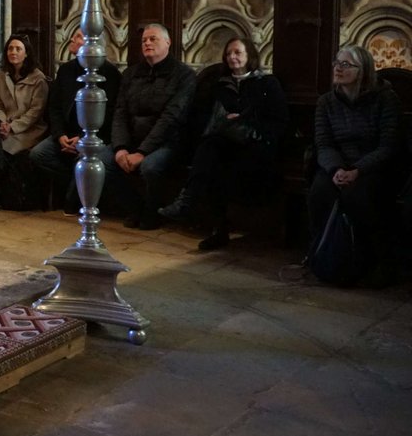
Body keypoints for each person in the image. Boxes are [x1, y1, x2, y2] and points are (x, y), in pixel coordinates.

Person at [158, 36, 288, 249]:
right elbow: (200, 116)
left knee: (213, 158)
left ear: (250, 55)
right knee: (211, 152)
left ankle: (189, 202)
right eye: (228, 54)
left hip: (255, 144)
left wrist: (244, 121)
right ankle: (215, 227)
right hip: (224, 144)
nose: (232, 57)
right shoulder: (218, 85)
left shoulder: (266, 84)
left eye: (237, 52)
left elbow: (278, 119)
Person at [308, 45, 402, 280]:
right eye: (337, 63)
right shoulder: (326, 102)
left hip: (373, 166)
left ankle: (373, 260)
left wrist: (357, 170)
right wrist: (337, 169)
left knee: (358, 196)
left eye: (346, 64)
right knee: (320, 191)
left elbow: (388, 146)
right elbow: (324, 143)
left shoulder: (385, 98)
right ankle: (325, 255)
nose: (338, 69)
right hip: (339, 164)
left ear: (363, 71)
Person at [101, 23, 196, 230]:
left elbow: (171, 117)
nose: (147, 43)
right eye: (144, 40)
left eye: (153, 39)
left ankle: (152, 213)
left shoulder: (184, 75)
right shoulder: (131, 74)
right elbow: (120, 113)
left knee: (150, 166)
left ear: (168, 42)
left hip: (166, 142)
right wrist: (120, 148)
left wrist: (143, 152)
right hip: (132, 140)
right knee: (101, 161)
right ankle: (135, 208)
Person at [30, 29, 121, 213]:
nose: (72, 38)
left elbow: (111, 115)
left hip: (94, 136)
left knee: (86, 157)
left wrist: (83, 138)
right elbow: (54, 107)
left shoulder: (110, 74)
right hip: (65, 134)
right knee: (38, 154)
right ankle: (75, 182)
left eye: (79, 36)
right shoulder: (65, 70)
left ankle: (75, 203)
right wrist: (60, 135)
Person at [0, 34, 49, 210]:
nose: (13, 52)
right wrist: (1, 122)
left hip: (28, 129)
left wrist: (13, 127)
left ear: (26, 53)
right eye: (10, 48)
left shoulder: (38, 79)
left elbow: (35, 112)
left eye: (18, 49)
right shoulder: (0, 77)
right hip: (3, 126)